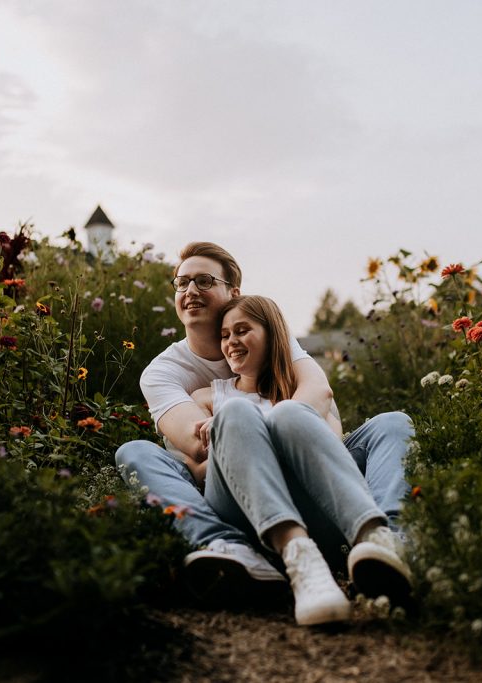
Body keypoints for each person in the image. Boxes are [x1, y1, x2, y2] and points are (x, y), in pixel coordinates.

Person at [115, 242, 413, 604]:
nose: (191, 290)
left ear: (232, 291)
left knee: (392, 423)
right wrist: (289, 430)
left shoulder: (268, 331)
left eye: (204, 280)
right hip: (237, 497)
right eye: (182, 282)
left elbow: (320, 394)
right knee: (138, 450)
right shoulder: (166, 373)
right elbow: (203, 448)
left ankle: (389, 541)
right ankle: (228, 545)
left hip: (316, 478)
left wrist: (297, 429)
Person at [191, 295, 412, 625]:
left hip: (320, 503)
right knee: (237, 412)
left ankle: (385, 540)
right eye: (225, 335)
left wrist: (281, 422)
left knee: (393, 421)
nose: (231, 342)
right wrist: (233, 435)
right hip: (251, 511)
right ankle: (299, 556)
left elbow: (330, 450)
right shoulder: (207, 398)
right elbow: (198, 470)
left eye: (241, 330)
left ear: (271, 334)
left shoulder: (303, 390)